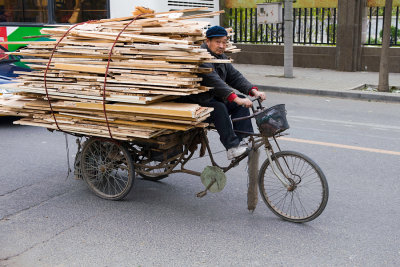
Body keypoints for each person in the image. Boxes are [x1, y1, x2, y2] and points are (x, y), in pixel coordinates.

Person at [181, 25, 266, 160]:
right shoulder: (201, 57)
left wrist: (253, 90)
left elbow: (234, 76)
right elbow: (214, 81)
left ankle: (242, 140)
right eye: (218, 42)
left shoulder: (221, 57)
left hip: (211, 98)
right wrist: (234, 98)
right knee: (219, 108)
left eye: (224, 42)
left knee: (240, 101)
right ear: (207, 41)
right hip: (195, 101)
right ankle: (232, 148)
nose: (222, 45)